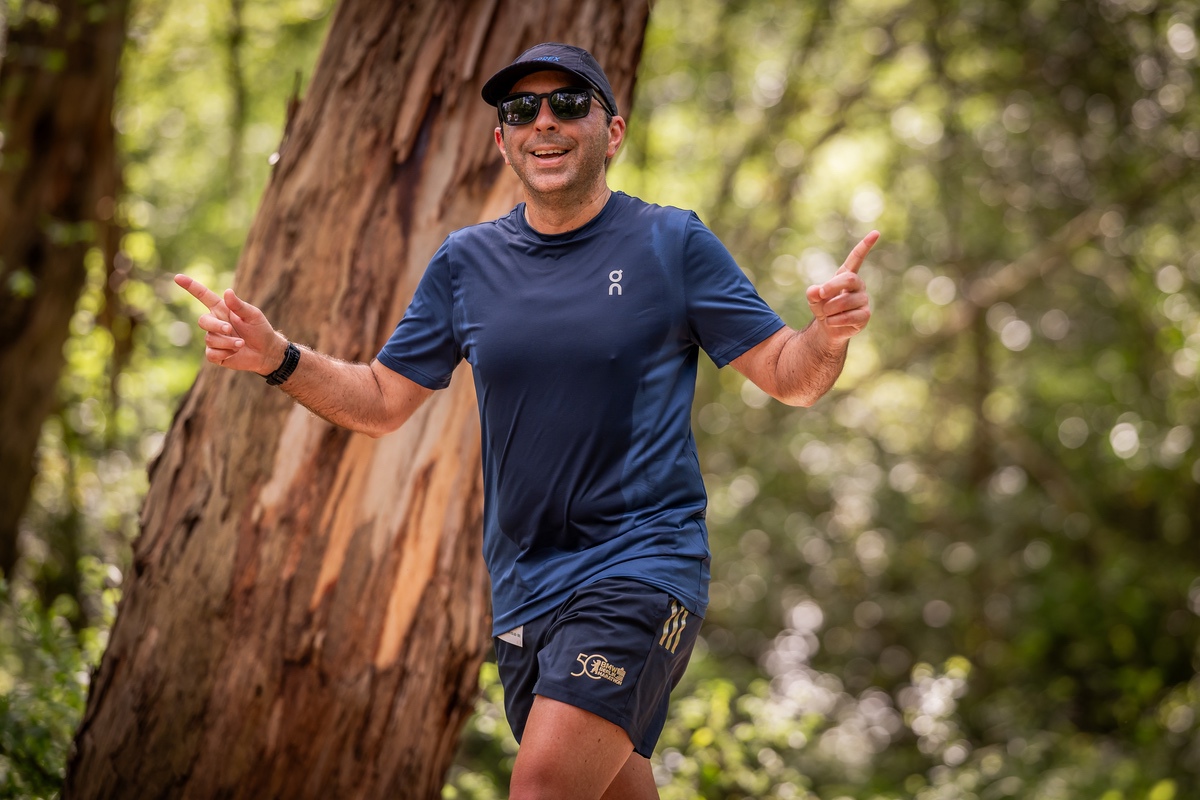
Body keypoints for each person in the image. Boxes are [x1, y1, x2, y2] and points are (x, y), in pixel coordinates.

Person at [177, 42, 875, 800]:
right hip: (524, 589)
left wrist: (828, 336)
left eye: (569, 104)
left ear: (612, 132)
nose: (544, 122)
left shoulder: (670, 244)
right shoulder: (465, 263)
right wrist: (278, 357)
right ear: (501, 138)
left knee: (541, 788)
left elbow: (789, 376)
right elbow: (380, 400)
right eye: (521, 110)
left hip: (641, 566)